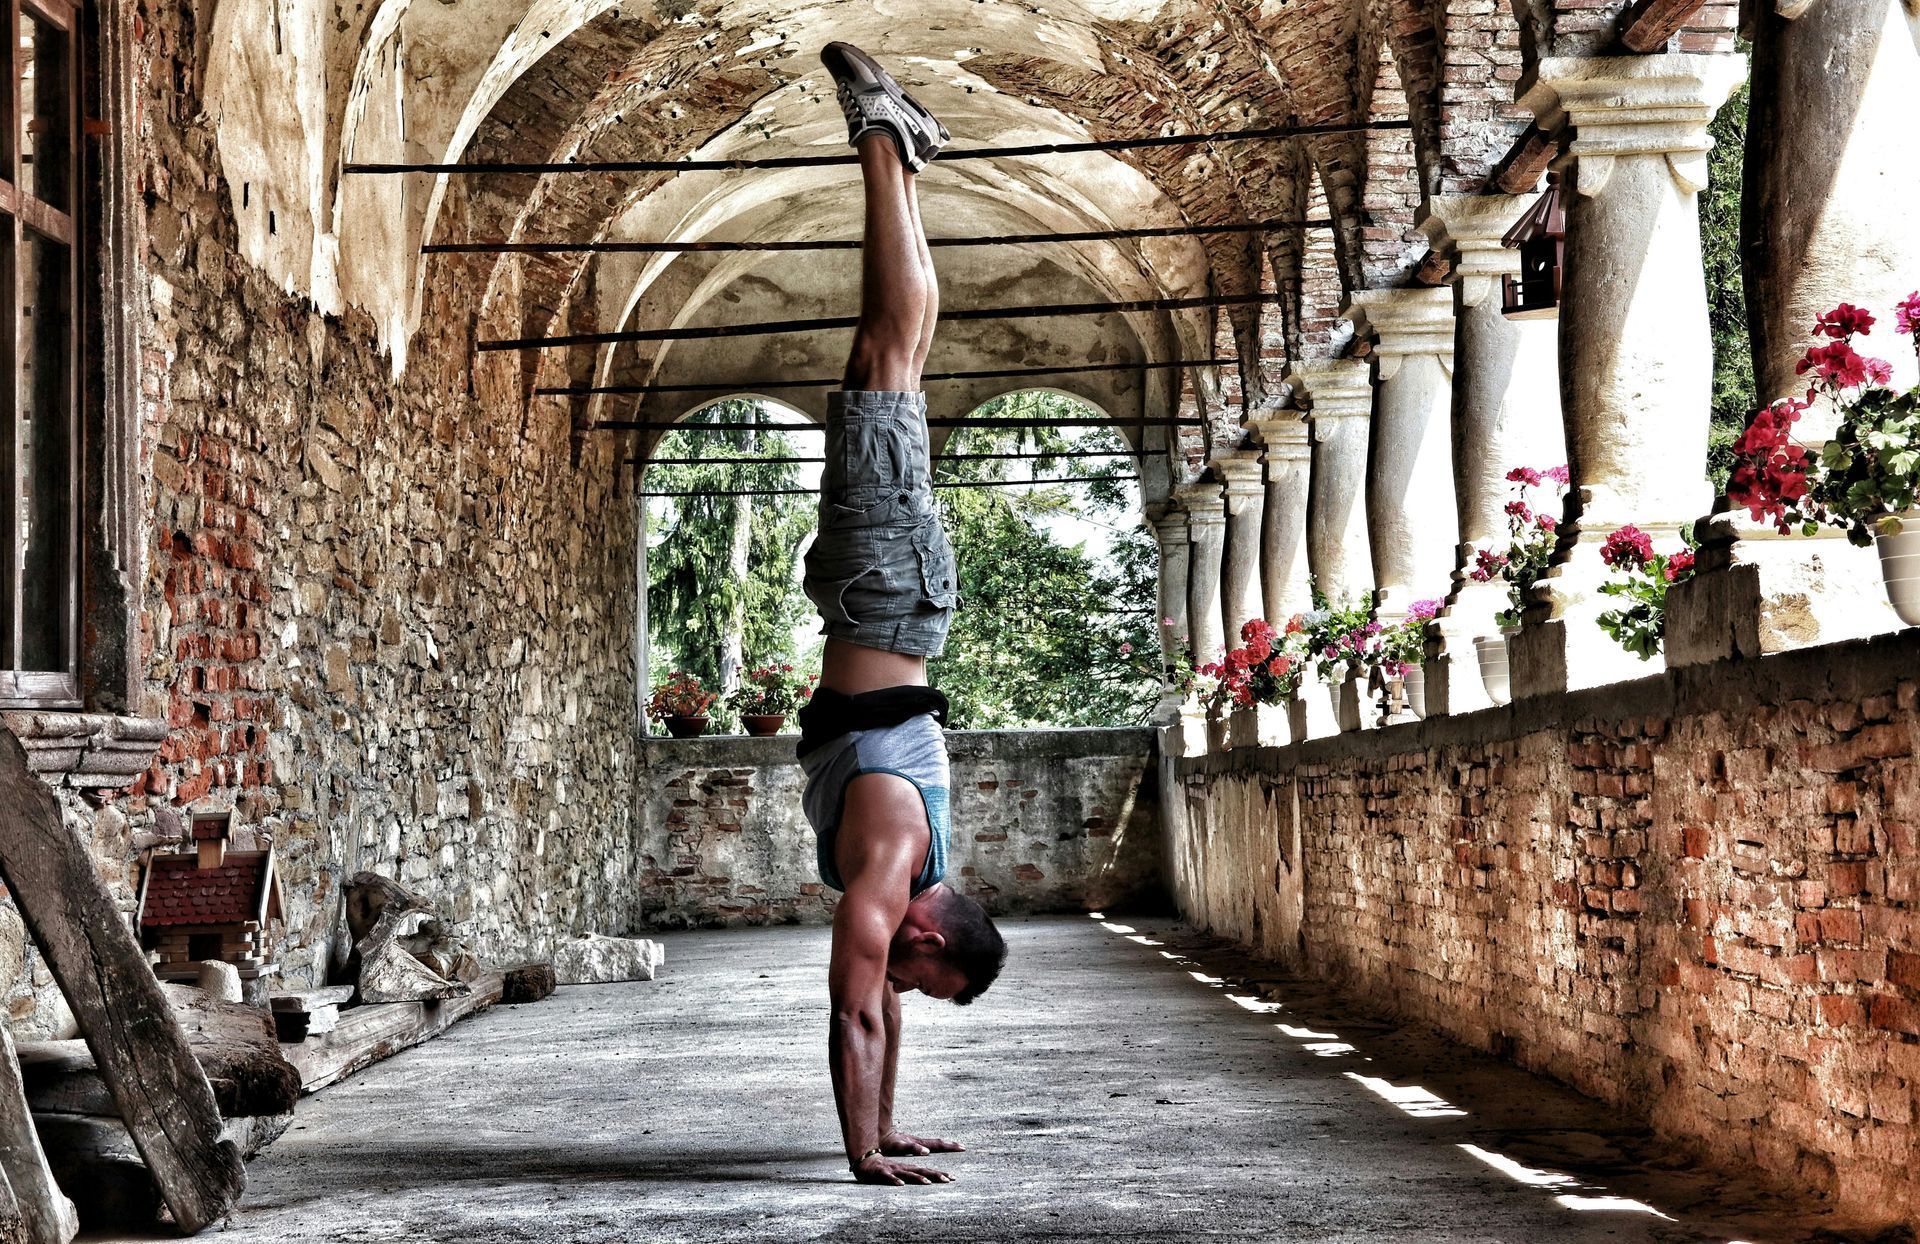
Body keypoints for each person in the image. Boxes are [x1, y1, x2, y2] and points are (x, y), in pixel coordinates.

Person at [794, 42, 1007, 1188]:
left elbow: (884, 1012)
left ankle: (905, 152)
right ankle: (881, 137)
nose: (902, 981)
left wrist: (886, 1129)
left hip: (897, 602)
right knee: (888, 353)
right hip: (884, 594)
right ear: (927, 932)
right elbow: (856, 1017)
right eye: (923, 973)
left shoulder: (912, 867)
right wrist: (860, 1152)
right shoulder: (890, 859)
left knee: (894, 358)